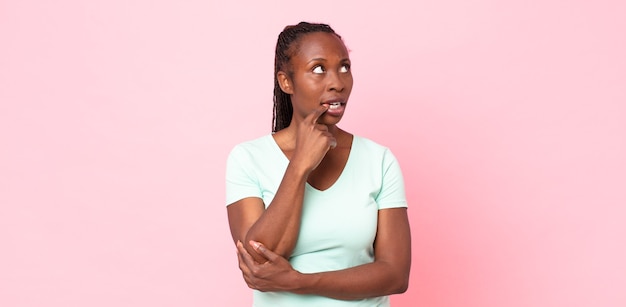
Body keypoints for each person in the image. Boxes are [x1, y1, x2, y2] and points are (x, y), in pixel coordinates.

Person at [225, 22, 411, 306]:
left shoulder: (379, 160)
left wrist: (300, 282)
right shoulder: (248, 158)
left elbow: (395, 275)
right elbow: (258, 261)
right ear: (286, 82)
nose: (337, 82)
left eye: (344, 67)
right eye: (319, 69)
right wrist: (300, 166)